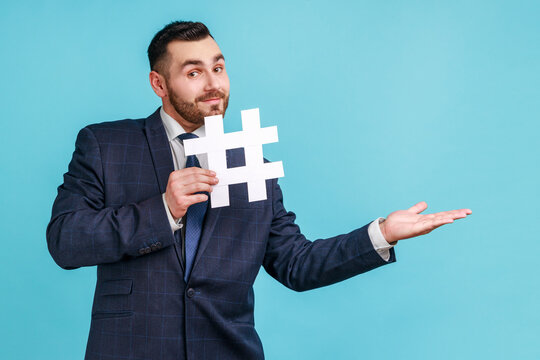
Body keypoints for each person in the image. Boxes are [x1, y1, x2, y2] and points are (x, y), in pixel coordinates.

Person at [47, 21, 471, 360]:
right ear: (159, 84)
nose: (213, 83)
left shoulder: (255, 168)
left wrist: (381, 233)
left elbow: (296, 264)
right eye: (193, 72)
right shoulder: (106, 145)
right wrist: (162, 209)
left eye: (218, 67)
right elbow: (66, 242)